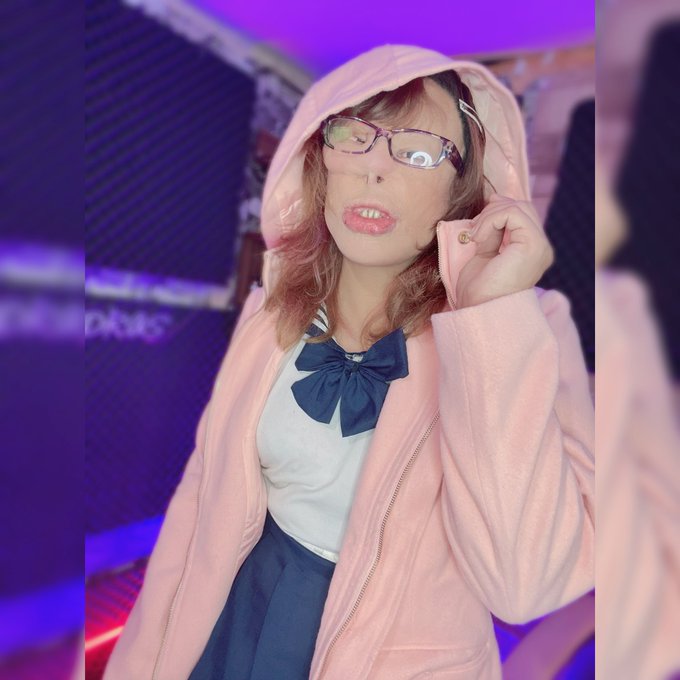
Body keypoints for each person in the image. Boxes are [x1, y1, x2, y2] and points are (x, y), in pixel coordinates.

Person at [103, 44, 594, 680]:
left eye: (418, 151)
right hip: (232, 610)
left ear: (461, 189)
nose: (374, 170)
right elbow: (201, 498)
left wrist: (490, 319)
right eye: (353, 137)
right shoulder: (272, 308)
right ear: (320, 162)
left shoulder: (528, 329)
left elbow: (525, 586)